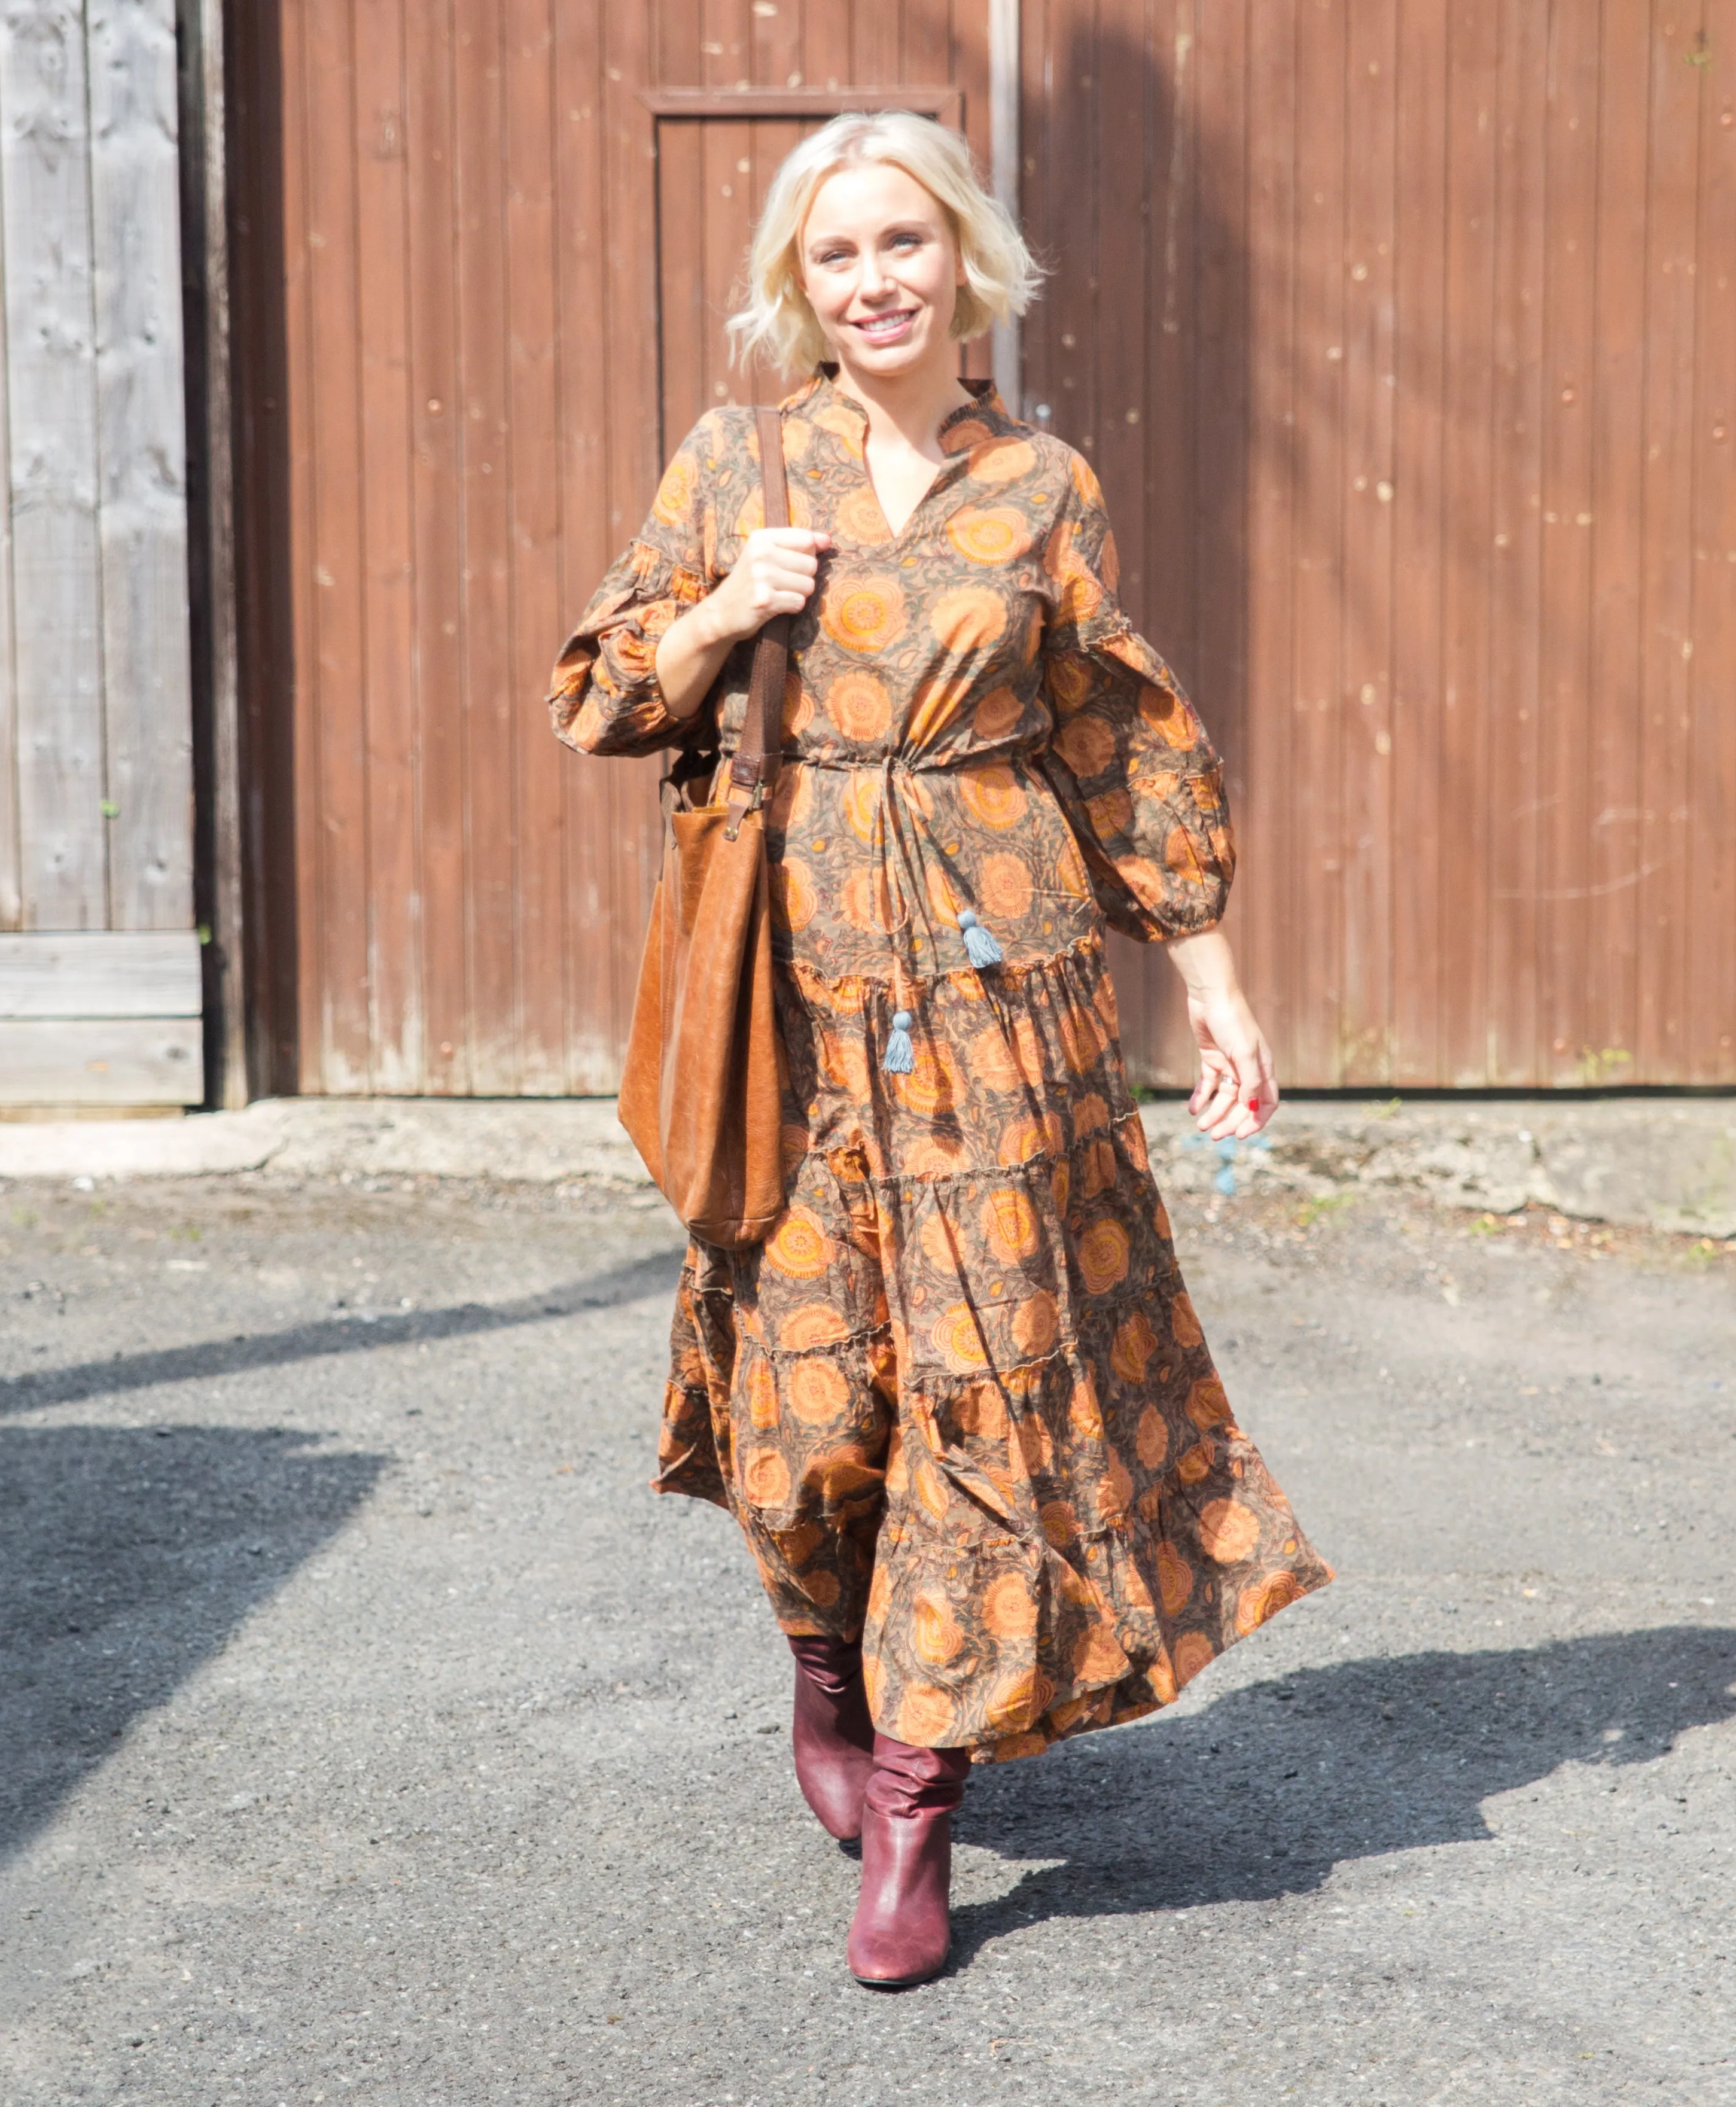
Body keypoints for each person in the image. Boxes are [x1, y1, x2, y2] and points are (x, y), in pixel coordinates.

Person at [549, 110, 1330, 1989]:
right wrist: (733, 604)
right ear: (795, 286)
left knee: (989, 1385)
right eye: (836, 255)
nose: (874, 280)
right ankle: (827, 1665)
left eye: (903, 243)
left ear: (963, 260)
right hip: (798, 1006)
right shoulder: (740, 462)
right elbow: (597, 694)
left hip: (1008, 998)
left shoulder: (1043, 482)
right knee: (811, 1410)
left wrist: (1214, 980)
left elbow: (1117, 736)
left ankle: (916, 1805)